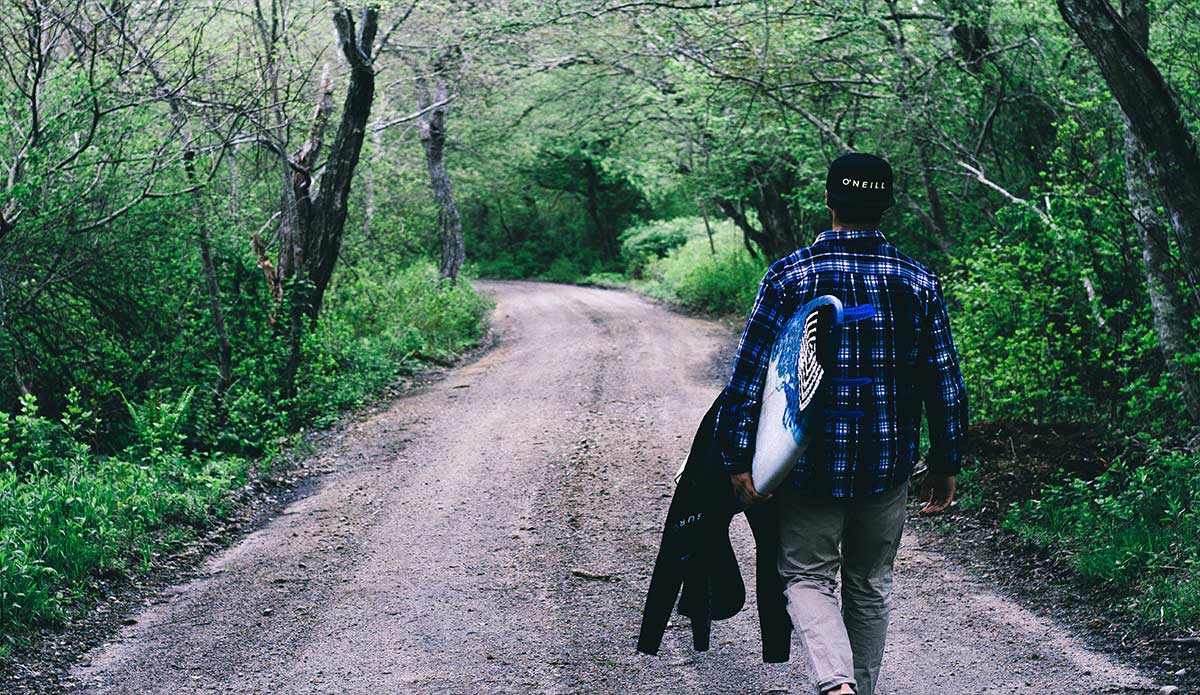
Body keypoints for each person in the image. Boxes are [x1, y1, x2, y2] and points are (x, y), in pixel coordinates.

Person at [714, 152, 968, 695]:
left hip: (808, 468)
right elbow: (943, 381)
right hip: (885, 465)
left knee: (808, 576)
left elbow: (751, 377)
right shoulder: (918, 281)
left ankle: (836, 685)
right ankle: (859, 689)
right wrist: (946, 462)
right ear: (886, 206)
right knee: (870, 583)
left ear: (829, 199)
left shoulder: (789, 276)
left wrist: (737, 458)